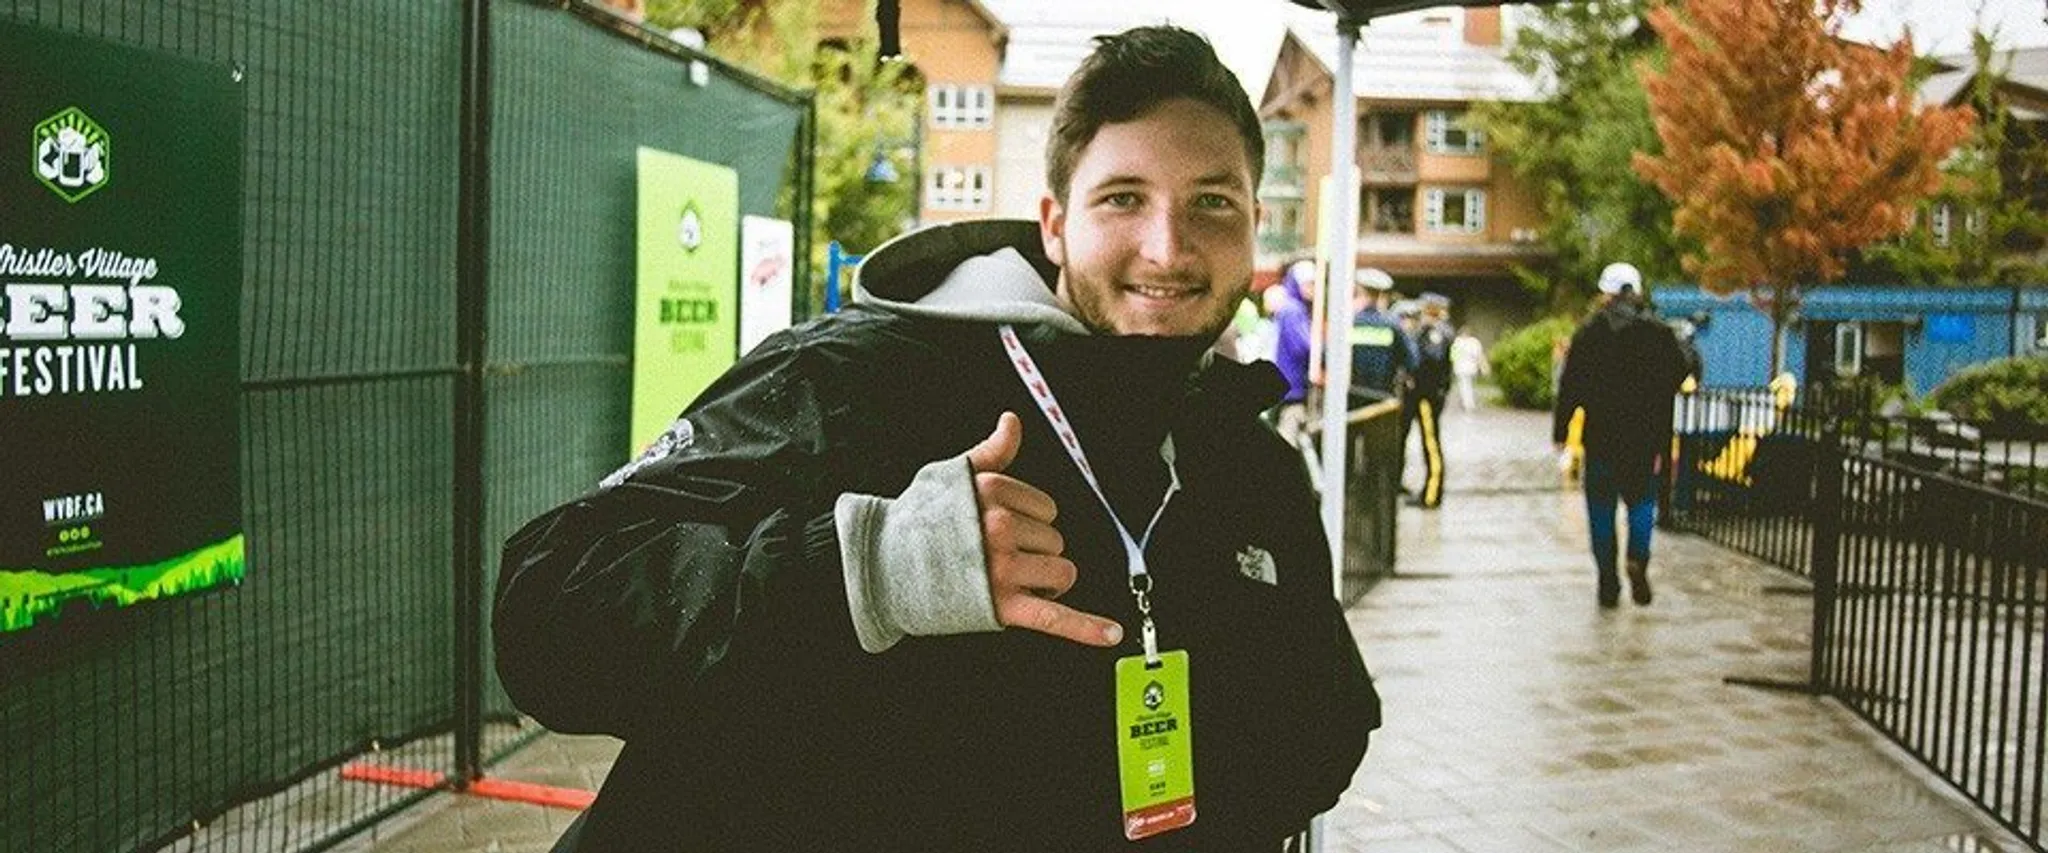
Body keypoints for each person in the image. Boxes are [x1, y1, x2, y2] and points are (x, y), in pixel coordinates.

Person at [494, 26, 1379, 853]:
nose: (1168, 245)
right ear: (1055, 223)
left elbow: (1324, 728)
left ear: (1257, 224)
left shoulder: (1250, 457)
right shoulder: (863, 379)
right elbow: (547, 613)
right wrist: (868, 573)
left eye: (1213, 202)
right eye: (1123, 198)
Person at [1552, 261, 1690, 608]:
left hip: (1600, 437)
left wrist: (1561, 429)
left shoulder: (1590, 333)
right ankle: (1637, 557)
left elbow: (1570, 386)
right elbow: (1681, 371)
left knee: (1601, 510)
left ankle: (1607, 582)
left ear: (1606, 294)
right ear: (1636, 291)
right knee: (1642, 503)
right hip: (1645, 438)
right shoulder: (1658, 334)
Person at [1401, 293, 1454, 508]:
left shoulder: (1436, 332)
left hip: (1427, 396)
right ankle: (1428, 492)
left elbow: (1431, 359)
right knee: (1428, 443)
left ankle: (1432, 495)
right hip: (1425, 395)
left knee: (1431, 445)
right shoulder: (1432, 331)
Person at [1347, 266, 1415, 406]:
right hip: (1383, 399)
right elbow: (1411, 360)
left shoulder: (1347, 324)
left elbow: (1326, 356)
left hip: (1350, 398)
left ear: (1359, 290)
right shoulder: (1392, 326)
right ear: (1380, 294)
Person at [1269, 257, 1317, 444]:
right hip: (1293, 388)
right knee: (1289, 437)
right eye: (1309, 284)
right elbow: (1303, 347)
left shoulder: (1293, 309)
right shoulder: (1293, 310)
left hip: (1289, 385)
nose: (1312, 289)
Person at [1449, 329, 1487, 411]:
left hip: (1460, 367)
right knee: (1470, 385)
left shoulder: (1457, 342)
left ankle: (1467, 403)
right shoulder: (1475, 342)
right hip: (1472, 367)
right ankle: (1470, 403)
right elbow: (1479, 355)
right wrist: (1482, 366)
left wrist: (1452, 365)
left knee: (1464, 385)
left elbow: (1453, 356)